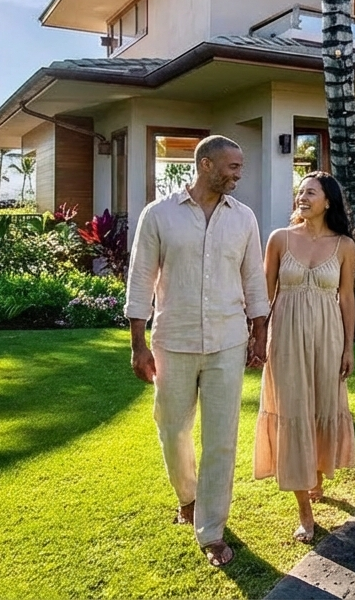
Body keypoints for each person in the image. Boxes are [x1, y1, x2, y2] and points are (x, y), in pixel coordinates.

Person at [124, 135, 270, 568]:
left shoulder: (244, 219)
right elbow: (140, 281)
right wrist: (137, 345)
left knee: (222, 439)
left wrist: (259, 334)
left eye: (240, 167)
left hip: (228, 340)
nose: (238, 174)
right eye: (233, 166)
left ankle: (210, 528)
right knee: (172, 427)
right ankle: (187, 496)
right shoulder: (159, 215)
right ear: (205, 165)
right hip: (174, 340)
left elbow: (254, 281)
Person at [254, 171, 355, 543]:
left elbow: (346, 297)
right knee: (293, 410)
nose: (302, 197)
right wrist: (257, 336)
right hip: (285, 337)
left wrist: (348, 346)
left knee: (320, 407)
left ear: (328, 201)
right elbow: (264, 293)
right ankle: (304, 512)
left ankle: (315, 471)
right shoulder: (279, 239)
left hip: (327, 338)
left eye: (310, 192)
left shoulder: (344, 245)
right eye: (300, 192)